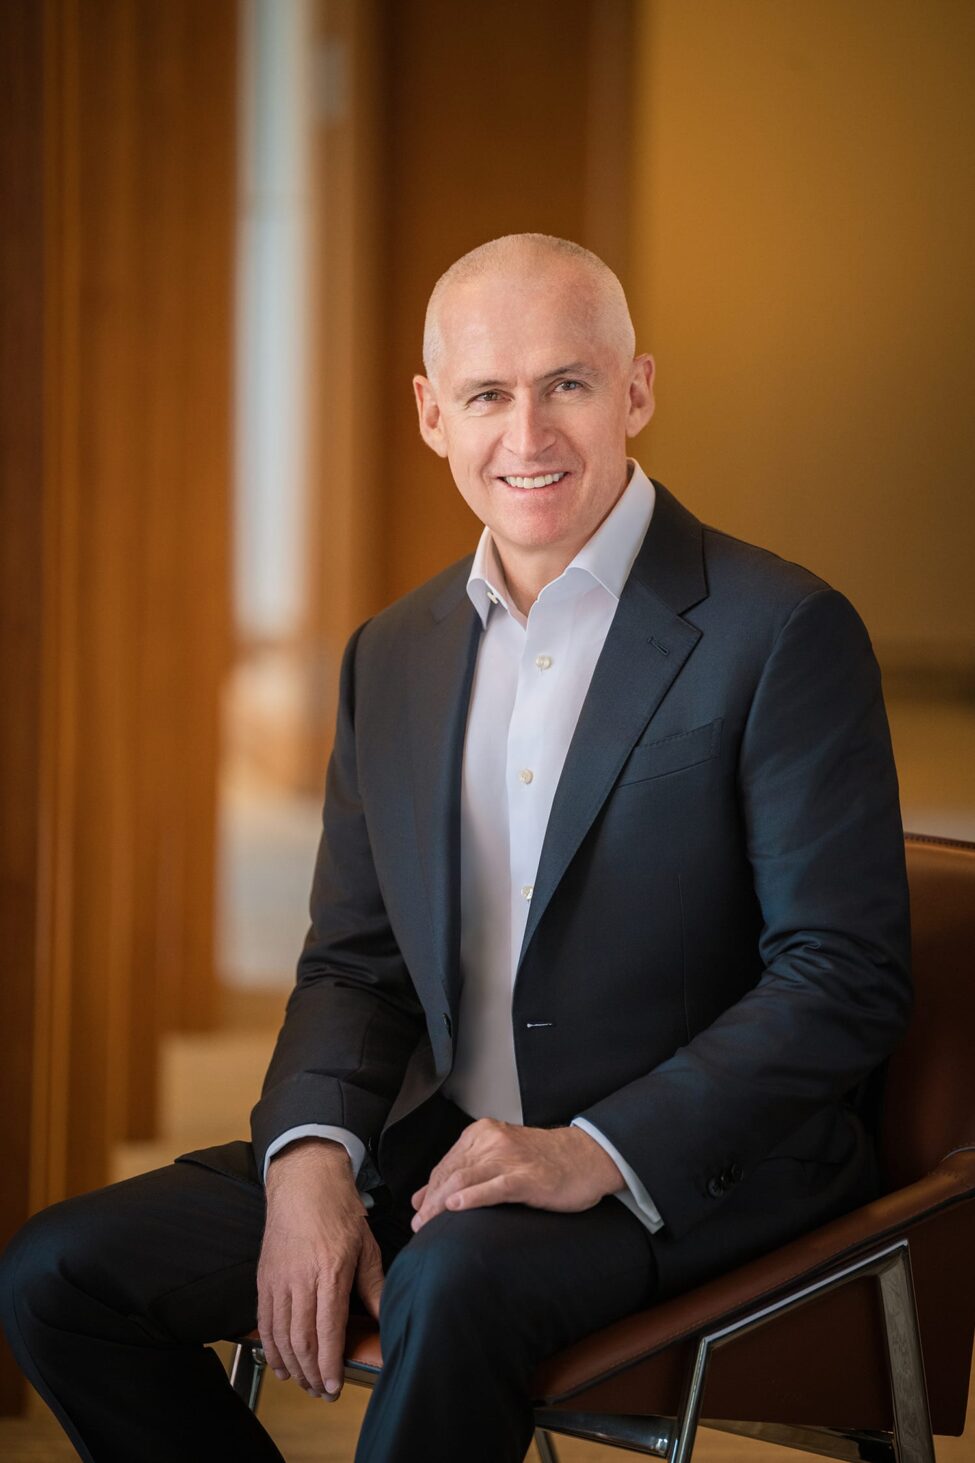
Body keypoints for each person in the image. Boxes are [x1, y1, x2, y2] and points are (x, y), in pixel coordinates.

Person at [0, 234, 911, 1463]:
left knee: (451, 1284)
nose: (526, 432)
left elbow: (841, 976)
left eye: (569, 384)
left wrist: (595, 1148)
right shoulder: (395, 653)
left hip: (693, 1166)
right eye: (488, 393)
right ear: (433, 415)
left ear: (637, 389)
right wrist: (313, 1157)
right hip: (449, 1144)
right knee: (59, 1271)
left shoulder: (782, 630)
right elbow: (355, 964)